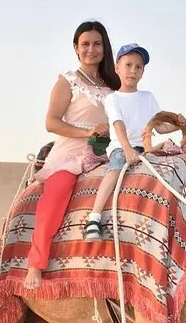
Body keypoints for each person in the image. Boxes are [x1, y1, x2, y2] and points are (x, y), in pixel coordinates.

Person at [23, 21, 121, 290]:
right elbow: (52, 122)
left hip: (104, 153)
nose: (91, 49)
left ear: (104, 47)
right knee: (56, 193)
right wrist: (87, 132)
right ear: (76, 48)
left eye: (97, 43)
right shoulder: (68, 81)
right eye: (85, 44)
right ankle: (35, 263)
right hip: (71, 152)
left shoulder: (114, 86)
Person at [83, 43, 186, 241]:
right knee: (115, 170)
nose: (133, 70)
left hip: (145, 148)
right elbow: (118, 125)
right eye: (128, 65)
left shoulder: (147, 97)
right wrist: (127, 149)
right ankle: (94, 218)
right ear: (117, 68)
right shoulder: (113, 99)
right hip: (121, 147)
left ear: (143, 72)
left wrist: (178, 124)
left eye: (138, 67)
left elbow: (159, 127)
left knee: (169, 170)